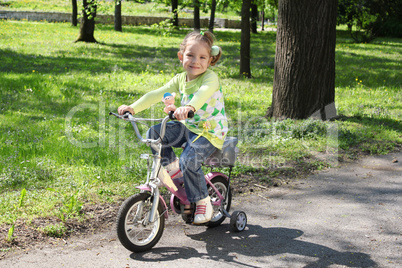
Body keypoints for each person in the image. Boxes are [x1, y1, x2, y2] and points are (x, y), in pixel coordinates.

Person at [118, 31, 228, 224]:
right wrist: (132, 108)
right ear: (181, 57)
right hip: (188, 127)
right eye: (190, 55)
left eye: (202, 57)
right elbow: (158, 94)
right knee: (153, 133)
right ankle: (174, 169)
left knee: (189, 160)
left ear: (210, 61)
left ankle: (203, 200)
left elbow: (202, 93)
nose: (196, 61)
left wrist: (189, 107)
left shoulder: (210, 78)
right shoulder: (180, 79)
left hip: (209, 132)